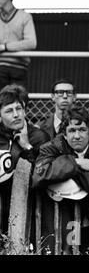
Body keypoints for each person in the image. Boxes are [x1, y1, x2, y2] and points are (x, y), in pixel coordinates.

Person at [31, 106, 89, 254]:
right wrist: (76, 163)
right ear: (65, 135)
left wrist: (68, 170)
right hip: (60, 213)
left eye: (82, 130)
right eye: (72, 131)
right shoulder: (51, 147)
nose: (77, 136)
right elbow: (38, 176)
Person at [0, 84, 49, 234]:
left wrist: (27, 147)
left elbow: (42, 174)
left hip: (30, 204)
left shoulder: (39, 137)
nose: (16, 115)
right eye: (9, 111)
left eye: (19, 109)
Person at [0, 0, 37, 89]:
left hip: (18, 67)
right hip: (0, 66)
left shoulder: (24, 17)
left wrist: (5, 47)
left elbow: (31, 42)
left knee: (19, 100)